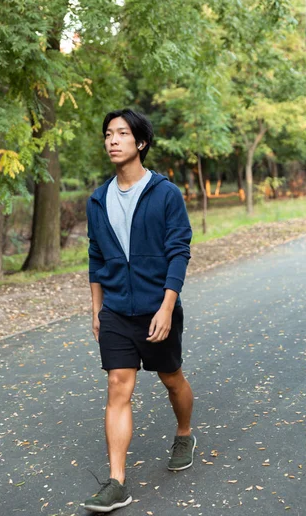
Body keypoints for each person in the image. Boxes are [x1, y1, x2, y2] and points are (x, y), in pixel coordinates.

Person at [83, 109, 195, 513]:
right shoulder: (98, 199)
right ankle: (116, 482)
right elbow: (96, 256)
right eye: (108, 134)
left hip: (156, 306)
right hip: (115, 308)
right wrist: (96, 309)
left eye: (122, 134)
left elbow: (179, 251)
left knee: (171, 378)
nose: (112, 140)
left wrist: (167, 307)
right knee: (118, 385)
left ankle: (184, 433)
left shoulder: (165, 193)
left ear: (141, 143)